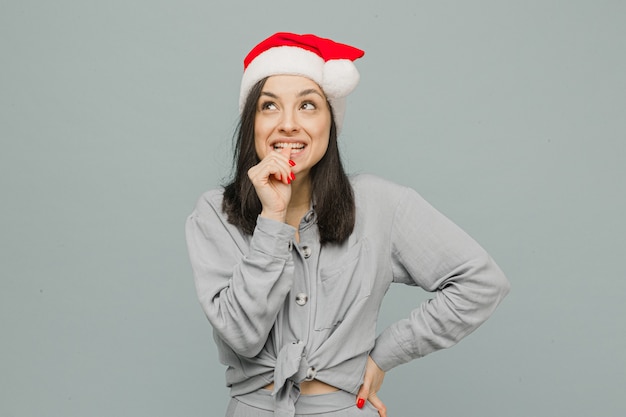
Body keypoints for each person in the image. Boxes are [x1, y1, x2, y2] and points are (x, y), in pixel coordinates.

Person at [186, 32, 510, 417]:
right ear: (251, 123)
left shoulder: (380, 204)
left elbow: (481, 283)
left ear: (331, 122)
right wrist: (272, 220)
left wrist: (384, 355)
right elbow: (242, 334)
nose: (288, 124)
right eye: (269, 106)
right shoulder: (214, 214)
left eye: (308, 105)